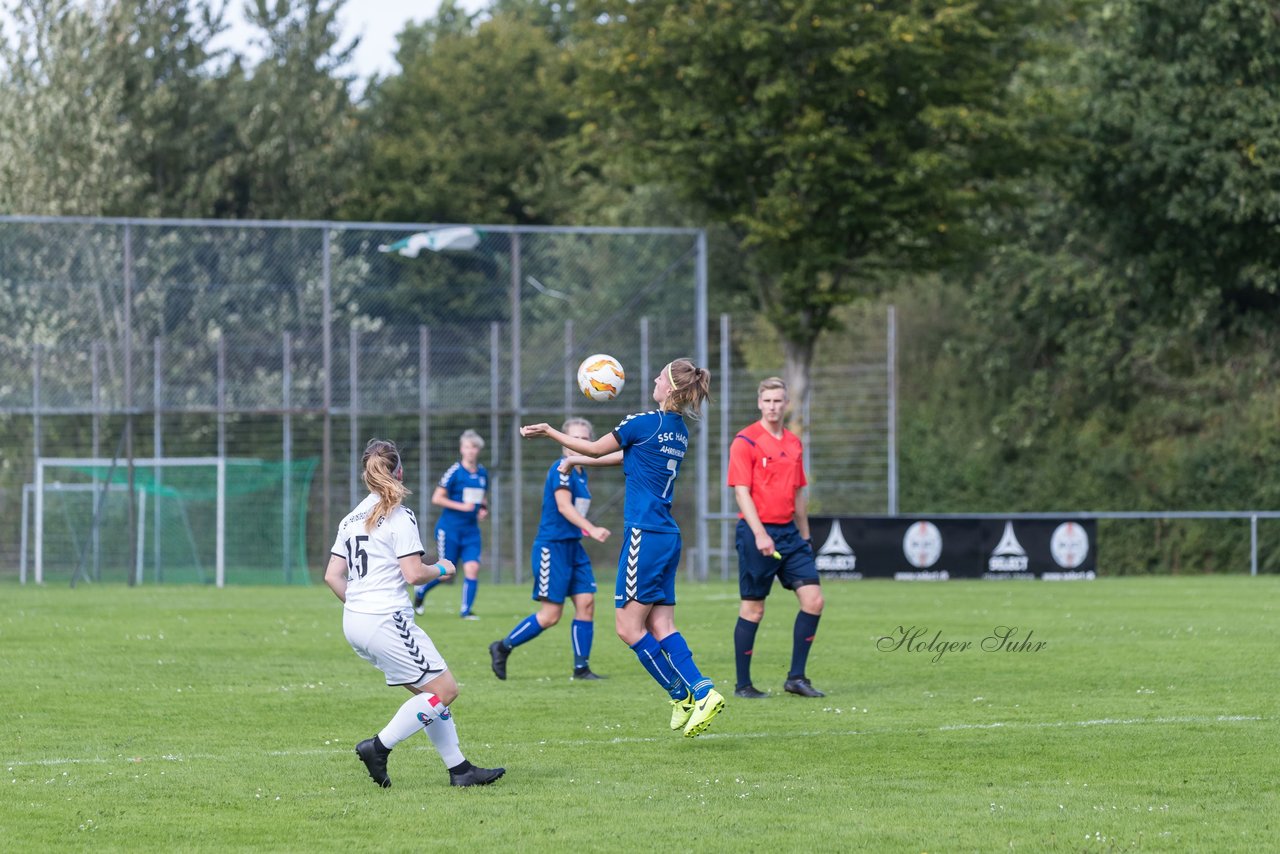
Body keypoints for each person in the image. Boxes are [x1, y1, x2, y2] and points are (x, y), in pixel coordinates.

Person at [520, 358, 725, 738]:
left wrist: (551, 432)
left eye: (660, 376)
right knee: (662, 623)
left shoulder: (641, 422)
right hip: (667, 535)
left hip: (643, 536)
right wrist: (579, 458)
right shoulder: (677, 429)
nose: (654, 379)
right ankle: (700, 692)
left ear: (670, 388)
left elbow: (600, 449)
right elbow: (623, 455)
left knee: (628, 628)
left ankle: (685, 693)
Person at [324, 438, 505, 788]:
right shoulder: (398, 514)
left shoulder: (350, 519)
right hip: (386, 620)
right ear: (400, 471)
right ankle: (377, 747)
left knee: (430, 694)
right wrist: (442, 568)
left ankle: (460, 769)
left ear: (367, 475)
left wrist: (362, 608)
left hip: (356, 622)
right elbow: (413, 574)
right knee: (446, 690)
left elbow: (332, 576)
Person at [489, 418, 611, 682]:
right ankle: (502, 647)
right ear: (563, 442)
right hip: (551, 548)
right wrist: (592, 528)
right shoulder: (561, 469)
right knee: (551, 615)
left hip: (572, 548)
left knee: (586, 603)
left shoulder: (581, 471)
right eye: (574, 438)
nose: (579, 443)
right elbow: (565, 507)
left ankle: (581, 669)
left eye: (585, 438)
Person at [727, 377, 826, 699]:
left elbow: (799, 494)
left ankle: (796, 678)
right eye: (767, 401)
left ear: (786, 404)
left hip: (790, 534)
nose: (772, 406)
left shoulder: (794, 443)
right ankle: (743, 685)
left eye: (778, 401)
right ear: (759, 403)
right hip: (757, 532)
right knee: (754, 609)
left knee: (814, 601)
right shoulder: (746, 441)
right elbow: (741, 493)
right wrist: (759, 534)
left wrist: (806, 538)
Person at [412, 429, 488, 619]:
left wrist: (483, 509)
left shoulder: (482, 473)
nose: (471, 451)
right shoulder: (454, 472)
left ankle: (466, 611)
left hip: (471, 531)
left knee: (472, 568)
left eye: (474, 448)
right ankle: (421, 590)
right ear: (462, 449)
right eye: (467, 447)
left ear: (478, 450)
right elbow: (437, 498)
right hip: (450, 529)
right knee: (447, 573)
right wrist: (462, 507)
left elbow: (482, 497)